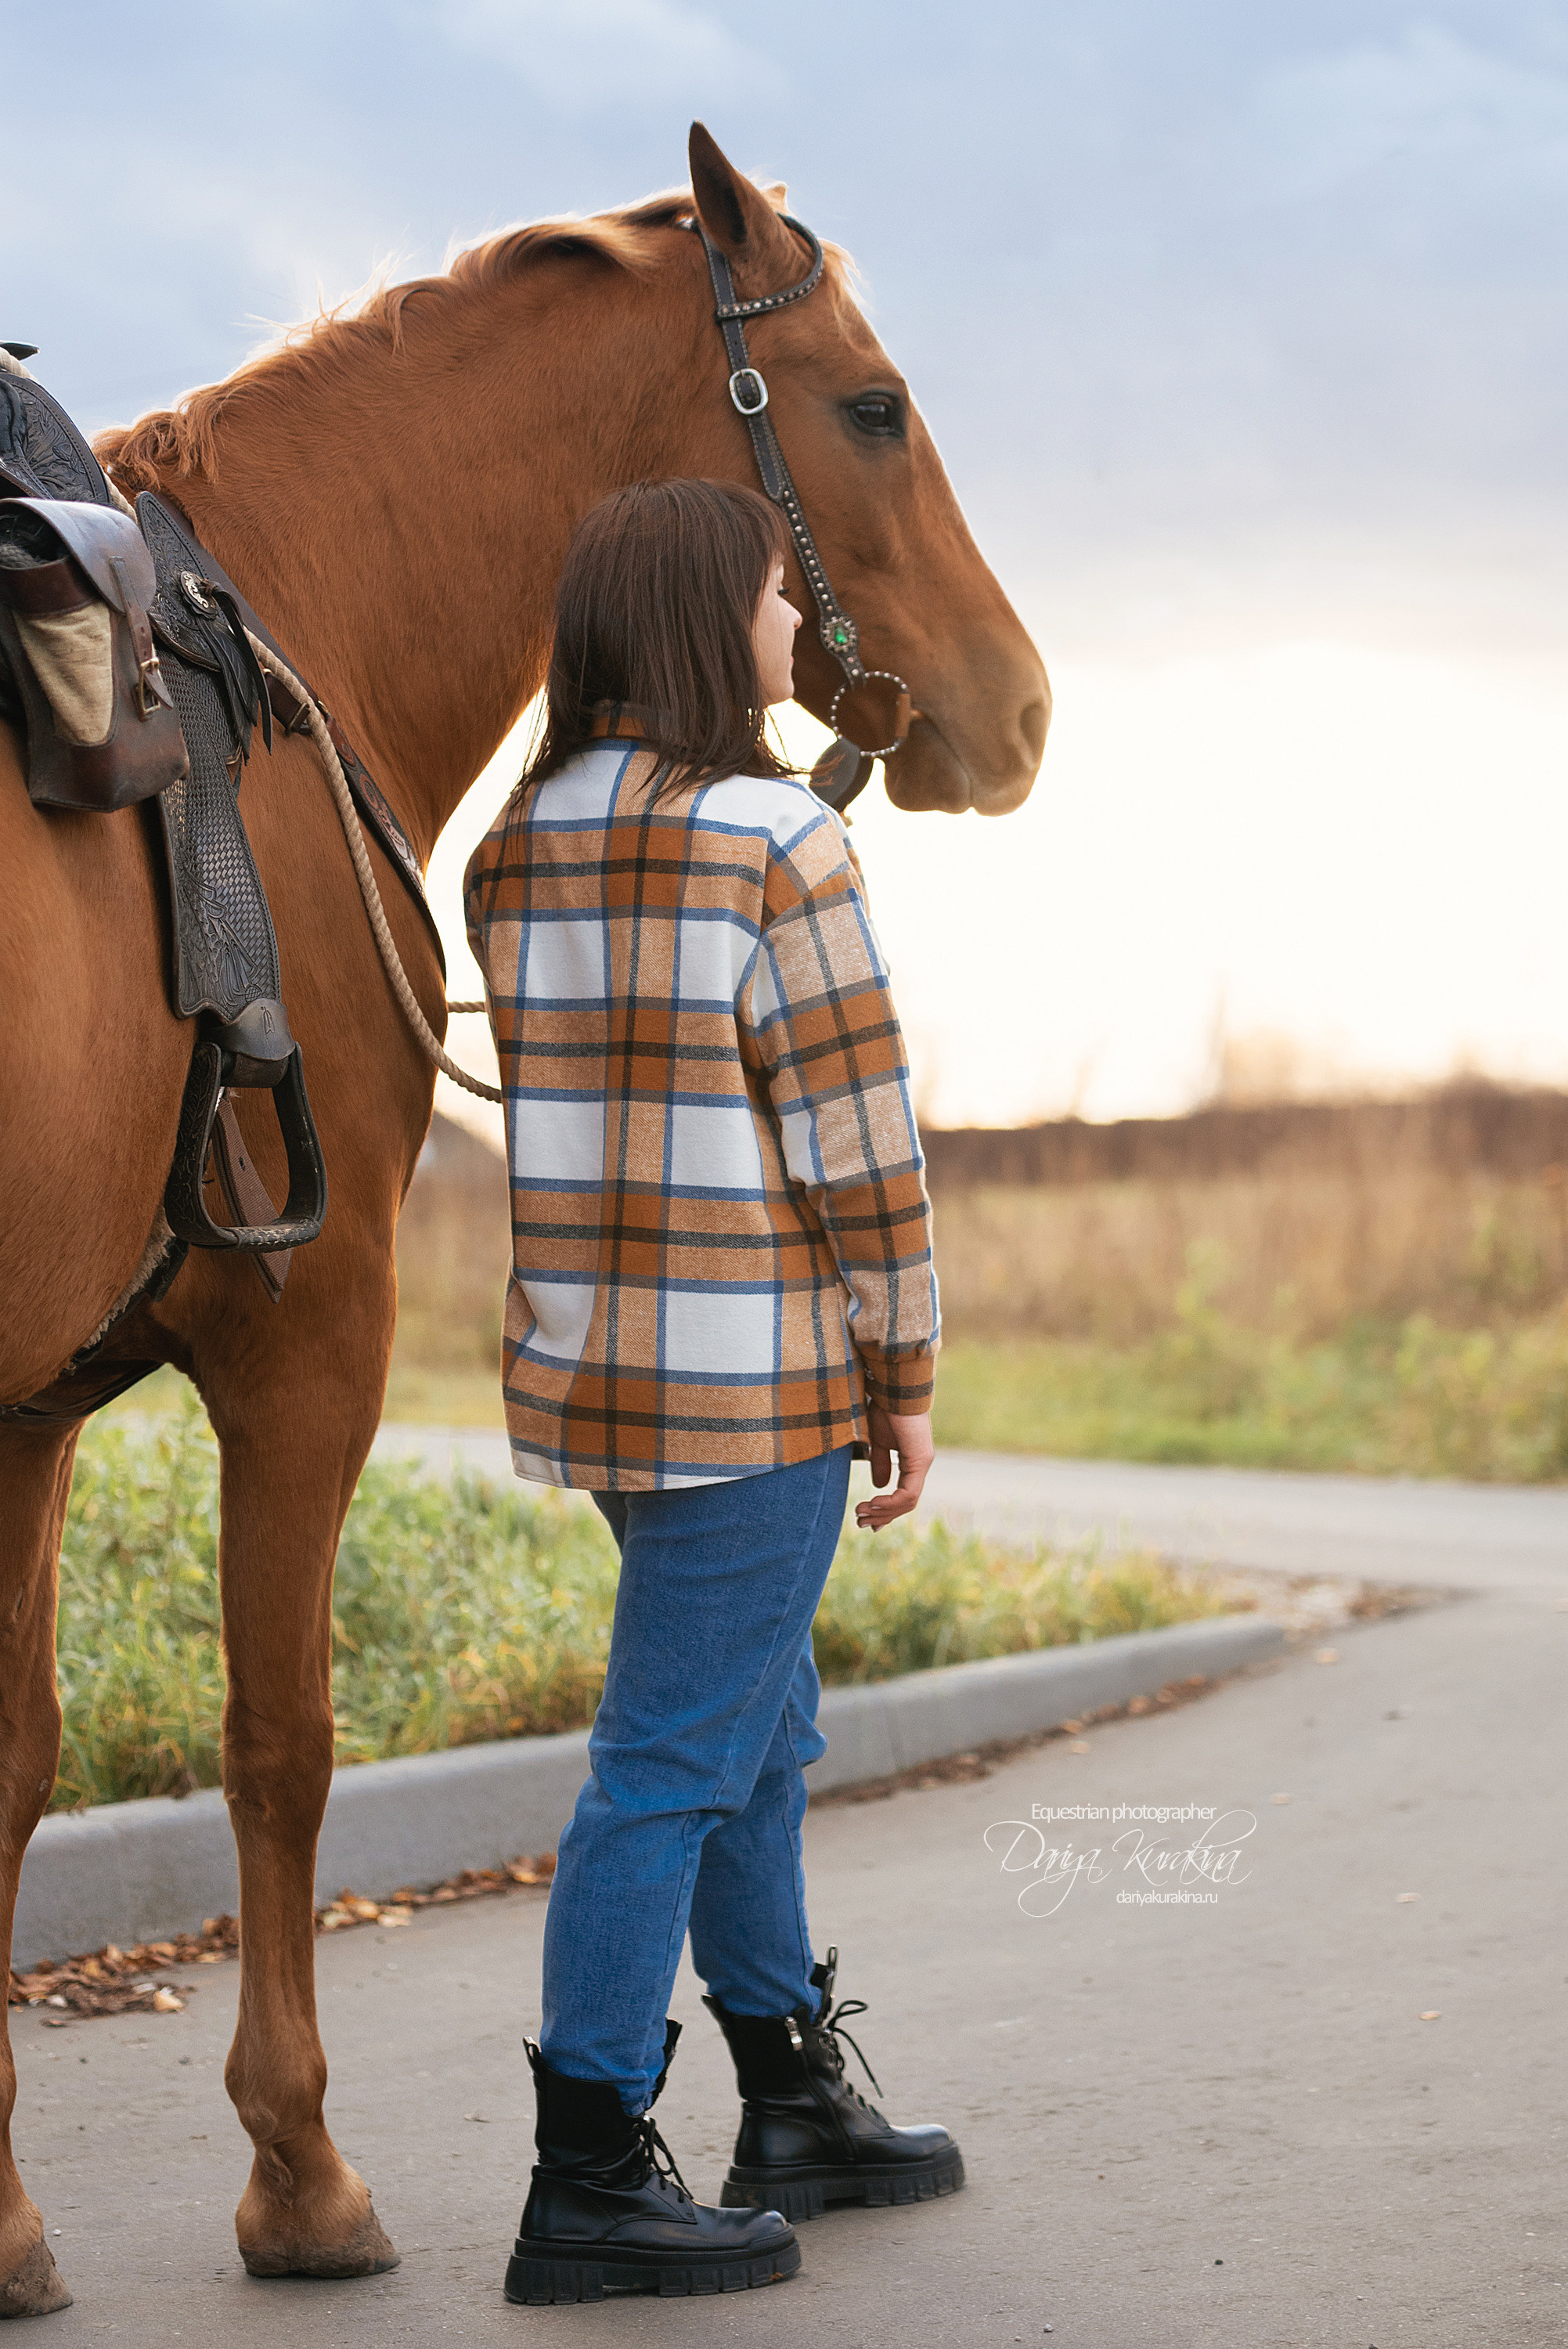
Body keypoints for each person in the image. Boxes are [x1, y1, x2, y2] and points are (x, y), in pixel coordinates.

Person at [464, 478, 960, 2307]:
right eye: (773, 599)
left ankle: (789, 2093)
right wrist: (903, 1367)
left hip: (600, 1373)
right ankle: (586, 2169)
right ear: (700, 621)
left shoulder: (509, 853)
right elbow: (859, 1142)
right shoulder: (774, 838)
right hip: (754, 1383)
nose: (791, 632)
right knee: (670, 1759)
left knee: (755, 1726)